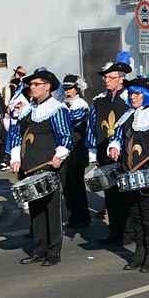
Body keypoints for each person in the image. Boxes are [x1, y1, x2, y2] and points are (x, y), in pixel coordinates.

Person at [108, 77, 149, 272]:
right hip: (128, 171)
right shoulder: (128, 115)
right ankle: (139, 251)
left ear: (146, 96)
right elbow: (117, 138)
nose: (132, 97)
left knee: (148, 214)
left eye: (136, 94)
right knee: (134, 213)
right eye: (131, 94)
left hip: (148, 173)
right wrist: (114, 147)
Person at [7, 68, 72, 267]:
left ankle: (53, 251)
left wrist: (59, 155)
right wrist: (16, 157)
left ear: (48, 86)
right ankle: (39, 249)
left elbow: (65, 137)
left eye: (36, 84)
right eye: (31, 84)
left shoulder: (57, 109)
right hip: (29, 166)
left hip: (49, 166)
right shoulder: (28, 109)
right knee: (35, 209)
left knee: (52, 209)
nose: (32, 88)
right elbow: (17, 135)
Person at [86, 52, 132, 245]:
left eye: (110, 77)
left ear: (121, 79)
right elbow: (92, 125)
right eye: (105, 77)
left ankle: (129, 233)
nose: (106, 80)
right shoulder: (99, 100)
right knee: (110, 195)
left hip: (125, 154)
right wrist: (92, 151)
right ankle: (115, 232)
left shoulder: (131, 98)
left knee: (126, 195)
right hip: (105, 153)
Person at [62, 74, 91, 228]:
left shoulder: (80, 104)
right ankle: (74, 215)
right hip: (67, 150)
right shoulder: (64, 103)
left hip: (78, 149)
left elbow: (70, 122)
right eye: (65, 88)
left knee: (77, 185)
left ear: (76, 88)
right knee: (67, 185)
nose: (67, 91)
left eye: (70, 88)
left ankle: (82, 217)